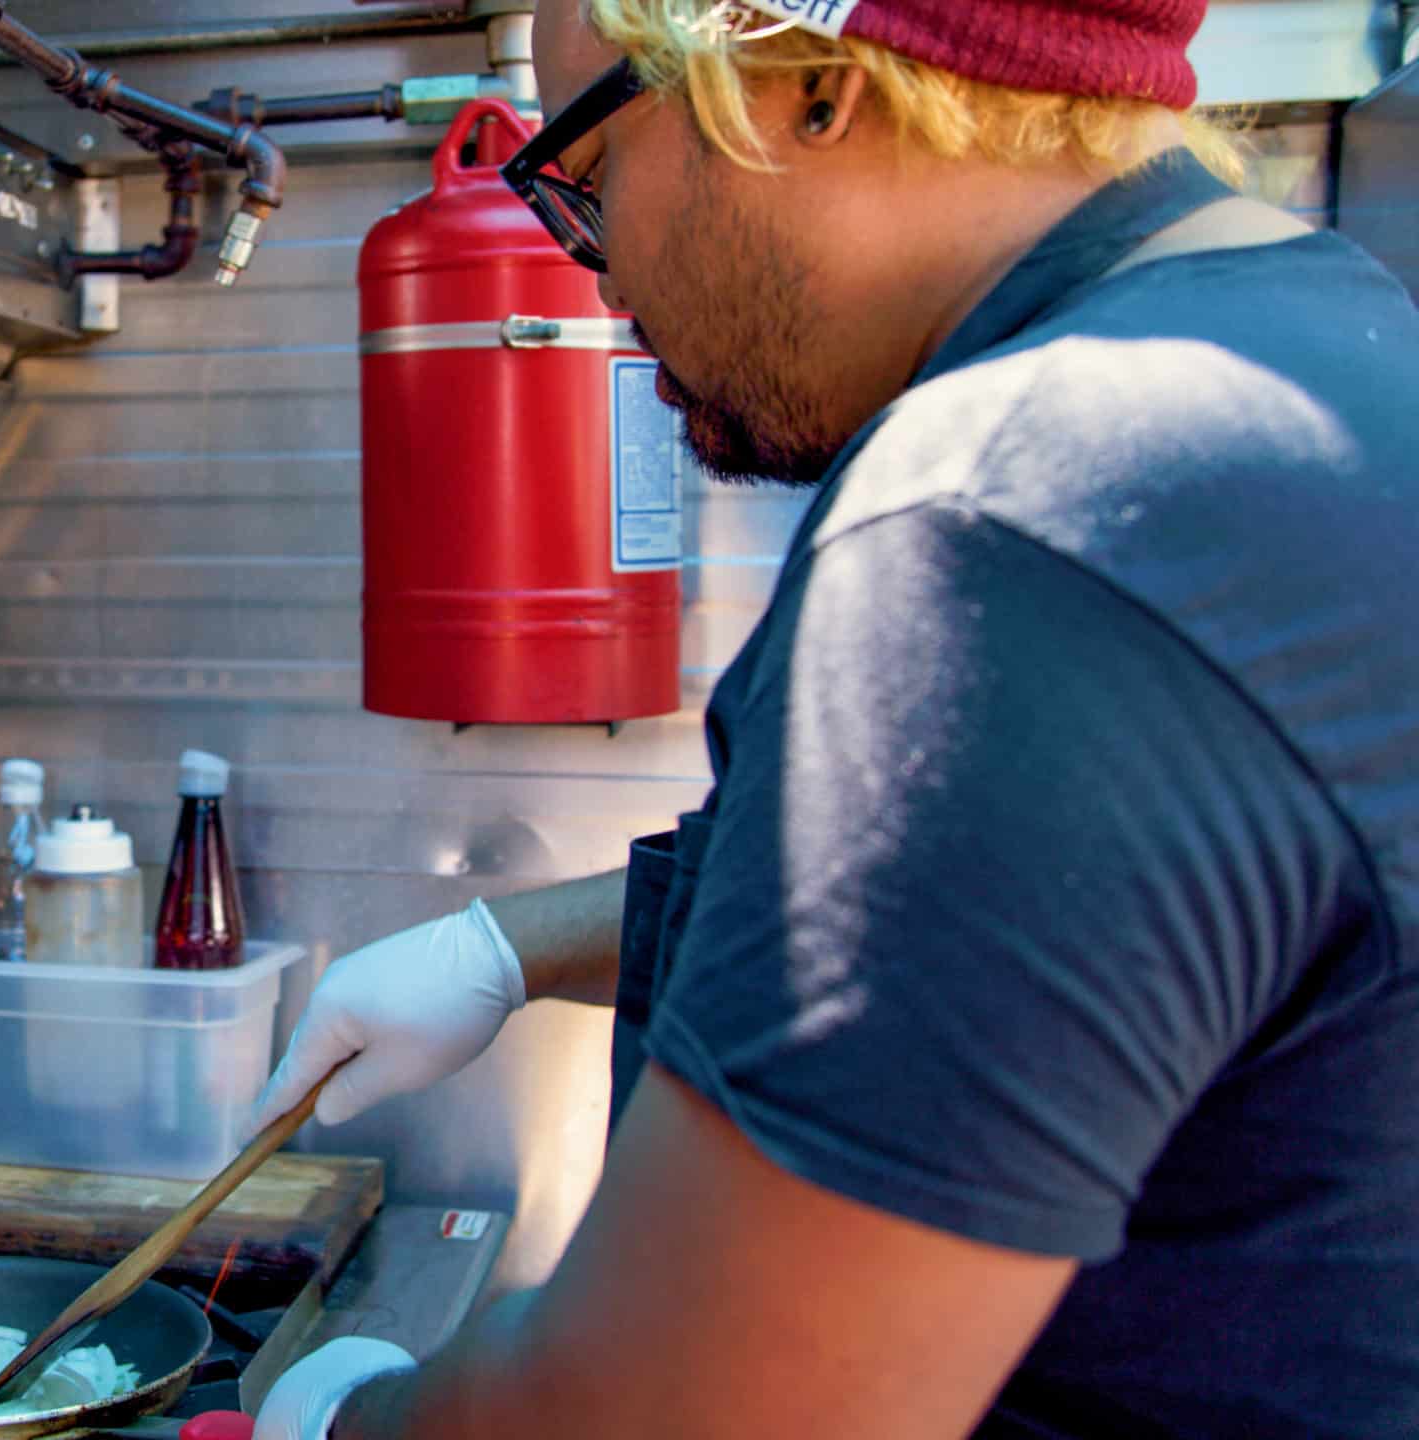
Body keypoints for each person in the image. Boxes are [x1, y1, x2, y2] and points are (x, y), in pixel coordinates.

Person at [248, 0, 1419, 1436]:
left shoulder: (1021, 513)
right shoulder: (1313, 333)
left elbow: (666, 1415)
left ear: (797, 79)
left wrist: (349, 1420)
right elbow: (1054, 916)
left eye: (587, 177)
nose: (600, 272)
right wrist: (512, 945)